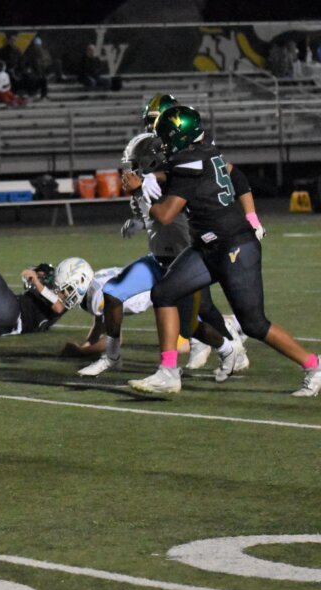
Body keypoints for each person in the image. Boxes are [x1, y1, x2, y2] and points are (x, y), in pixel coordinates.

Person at [127, 105, 320, 397]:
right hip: (209, 246)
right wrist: (155, 177)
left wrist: (139, 191)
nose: (164, 143)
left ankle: (314, 365)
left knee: (254, 324)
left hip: (234, 247)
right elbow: (187, 172)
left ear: (181, 135)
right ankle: (167, 372)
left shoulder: (188, 160)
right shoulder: (205, 148)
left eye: (167, 136)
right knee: (164, 293)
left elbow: (165, 215)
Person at [79, 95, 247, 381]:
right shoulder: (159, 171)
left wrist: (145, 189)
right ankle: (112, 356)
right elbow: (151, 211)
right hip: (158, 257)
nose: (135, 167)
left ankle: (229, 348)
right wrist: (139, 214)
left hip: (185, 259)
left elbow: (170, 210)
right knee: (113, 293)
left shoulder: (183, 170)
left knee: (191, 321)